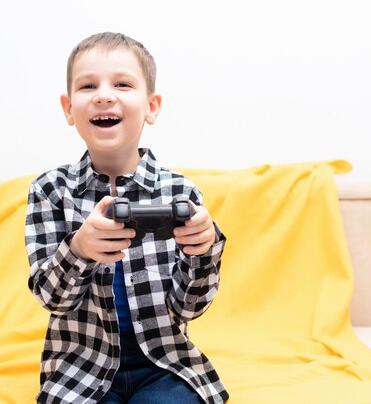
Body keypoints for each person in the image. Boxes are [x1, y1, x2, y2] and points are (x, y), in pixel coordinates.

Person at [25, 32, 229, 404]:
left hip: (165, 365)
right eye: (88, 86)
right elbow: (51, 298)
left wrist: (204, 251)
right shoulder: (50, 191)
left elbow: (190, 308)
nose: (104, 94)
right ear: (69, 109)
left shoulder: (180, 193)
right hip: (79, 368)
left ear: (151, 106)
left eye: (122, 83)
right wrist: (79, 249)